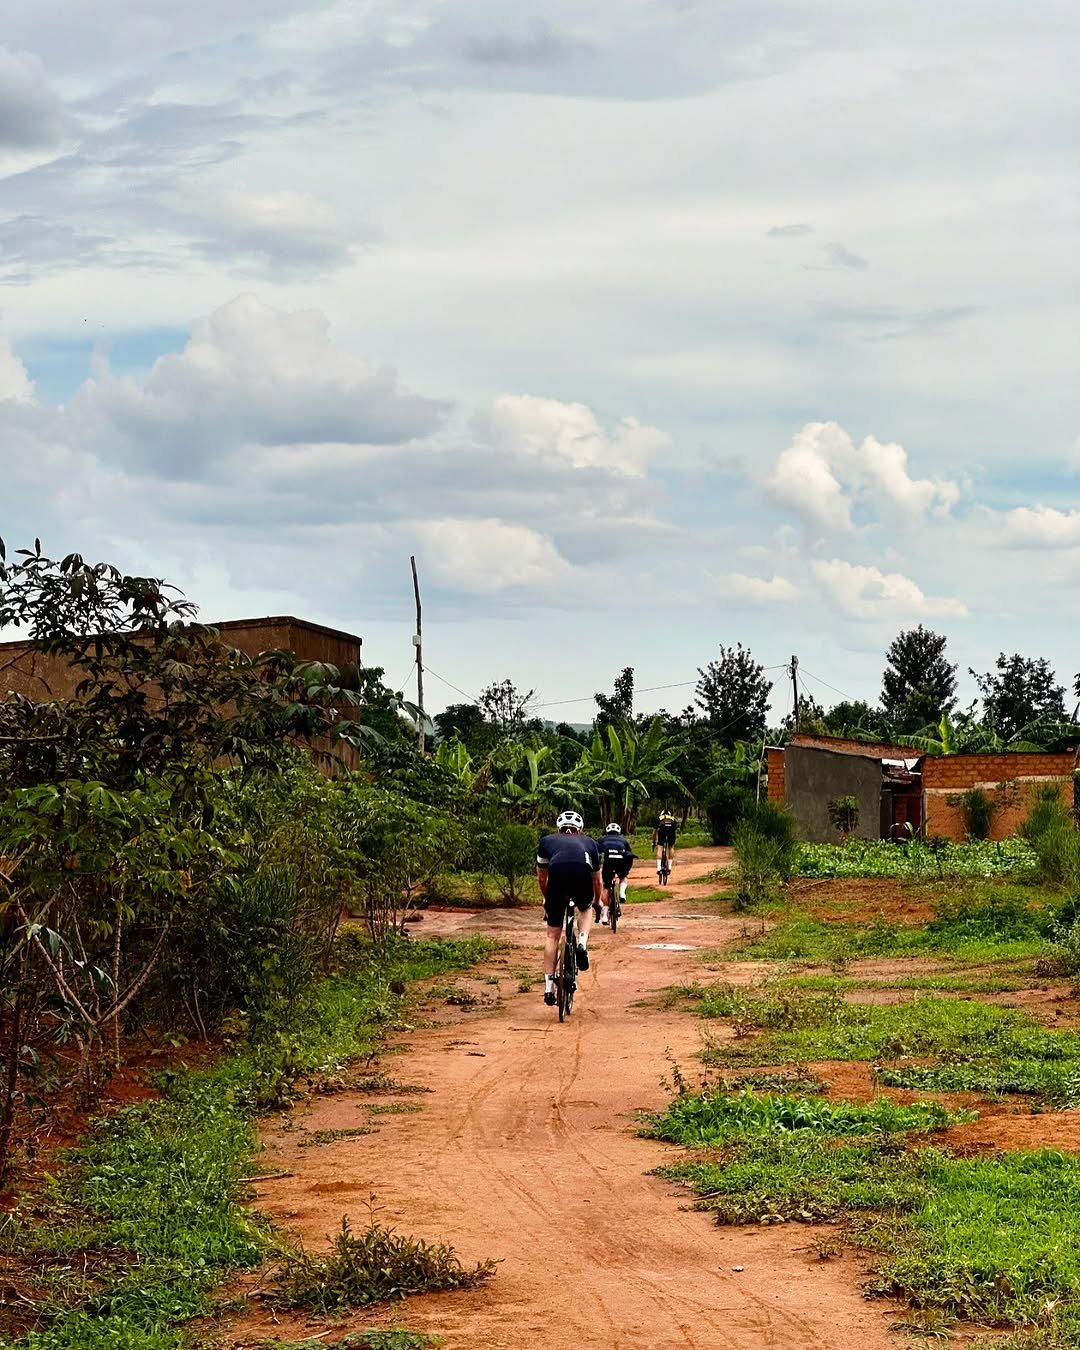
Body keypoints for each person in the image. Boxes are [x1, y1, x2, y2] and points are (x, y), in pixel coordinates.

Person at [536, 809, 601, 1007]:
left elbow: (542, 877)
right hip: (582, 874)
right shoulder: (589, 843)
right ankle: (582, 943)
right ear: (580, 828)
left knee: (552, 935)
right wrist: (597, 901)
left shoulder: (546, 841)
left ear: (559, 827)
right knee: (585, 908)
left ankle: (548, 988)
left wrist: (548, 899)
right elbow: (597, 881)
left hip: (557, 875)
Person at [597, 822, 635, 924]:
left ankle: (604, 915)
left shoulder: (602, 839)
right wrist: (626, 871)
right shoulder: (624, 840)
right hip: (621, 861)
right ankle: (622, 893)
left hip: (608, 861)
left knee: (605, 887)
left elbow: (596, 852)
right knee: (623, 877)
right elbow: (629, 855)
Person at [652, 810, 677, 875]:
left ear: (661, 814)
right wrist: (672, 841)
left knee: (660, 847)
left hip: (662, 830)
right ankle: (669, 868)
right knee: (671, 847)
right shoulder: (673, 819)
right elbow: (675, 830)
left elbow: (654, 832)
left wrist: (654, 842)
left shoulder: (659, 818)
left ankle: (659, 869)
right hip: (671, 830)